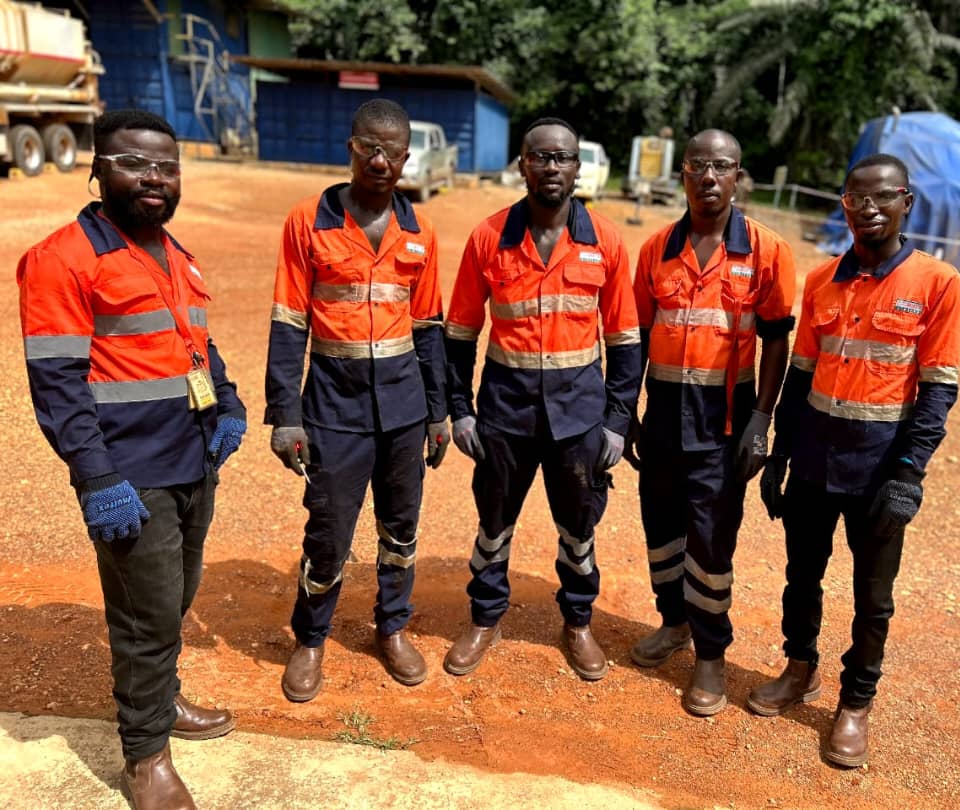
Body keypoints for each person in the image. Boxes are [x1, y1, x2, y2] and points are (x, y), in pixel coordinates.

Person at [18, 109, 246, 810]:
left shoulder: (176, 255)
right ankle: (145, 758)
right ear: (97, 168)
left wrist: (227, 402)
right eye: (135, 163)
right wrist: (96, 477)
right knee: (145, 618)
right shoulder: (62, 259)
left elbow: (195, 344)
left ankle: (163, 699)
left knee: (174, 601)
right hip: (130, 476)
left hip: (192, 462)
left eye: (166, 167)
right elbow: (57, 384)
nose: (154, 178)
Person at [748, 153, 960, 767]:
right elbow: (800, 375)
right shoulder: (822, 280)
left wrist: (909, 474)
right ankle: (799, 668)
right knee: (801, 576)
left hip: (879, 469)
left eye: (882, 197)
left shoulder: (938, 283)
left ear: (906, 203)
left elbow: (938, 389)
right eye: (855, 198)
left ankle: (855, 703)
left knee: (873, 598)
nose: (868, 208)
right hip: (816, 460)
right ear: (843, 205)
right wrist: (781, 454)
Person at [442, 117, 642, 680]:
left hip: (579, 417)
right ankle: (485, 617)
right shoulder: (489, 238)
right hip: (504, 413)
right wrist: (460, 410)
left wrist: (616, 422)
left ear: (578, 168)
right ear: (522, 165)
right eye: (540, 157)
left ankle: (578, 622)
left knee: (579, 526)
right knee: (493, 521)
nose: (551, 167)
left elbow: (625, 340)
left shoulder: (605, 240)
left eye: (563, 158)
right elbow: (459, 335)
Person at [265, 99, 449, 697]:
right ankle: (310, 639)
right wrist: (285, 415)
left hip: (404, 408)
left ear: (406, 158)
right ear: (351, 148)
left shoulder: (419, 233)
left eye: (391, 152)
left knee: (401, 529)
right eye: (369, 147)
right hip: (333, 408)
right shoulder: (308, 221)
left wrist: (439, 413)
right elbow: (289, 322)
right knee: (328, 531)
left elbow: (429, 329)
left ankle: (391, 629)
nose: (379, 160)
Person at [624, 129, 796, 715]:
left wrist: (761, 419)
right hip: (663, 414)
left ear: (737, 175)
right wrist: (628, 412)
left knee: (711, 538)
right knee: (661, 528)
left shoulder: (766, 251)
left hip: (724, 421)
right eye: (698, 165)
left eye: (722, 166)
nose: (709, 177)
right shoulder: (656, 249)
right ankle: (673, 622)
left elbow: (776, 341)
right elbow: (637, 337)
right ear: (683, 174)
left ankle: (710, 655)